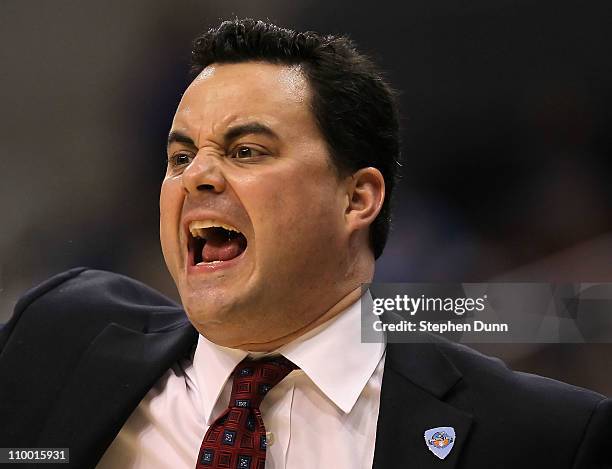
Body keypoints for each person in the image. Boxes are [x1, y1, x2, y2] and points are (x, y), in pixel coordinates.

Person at [0, 18, 610, 469]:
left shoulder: (547, 436)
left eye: (246, 151)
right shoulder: (57, 335)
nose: (196, 176)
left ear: (357, 199)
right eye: (180, 156)